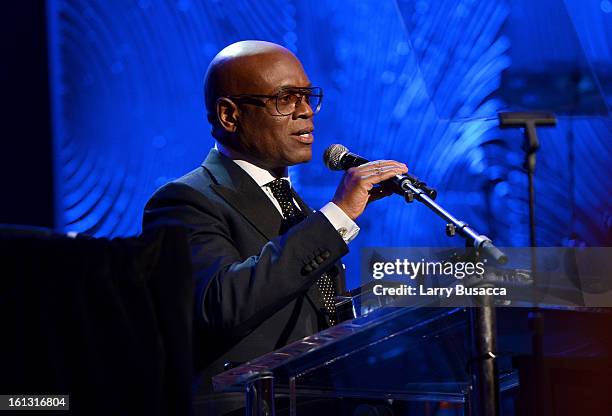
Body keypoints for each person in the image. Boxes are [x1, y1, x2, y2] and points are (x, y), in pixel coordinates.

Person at [143, 40, 407, 414]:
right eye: (285, 98)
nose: (305, 112)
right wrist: (337, 214)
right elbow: (223, 304)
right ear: (229, 115)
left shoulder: (293, 205)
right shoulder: (183, 202)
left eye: (307, 96)